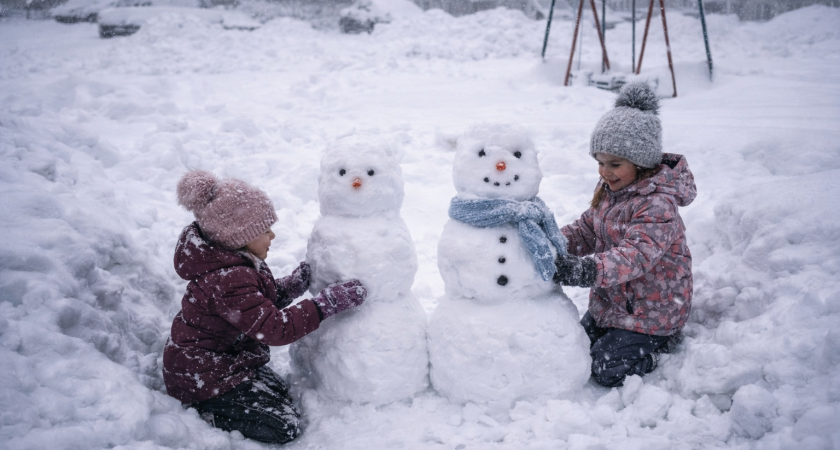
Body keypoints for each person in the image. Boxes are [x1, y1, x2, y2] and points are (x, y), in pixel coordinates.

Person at [163, 169, 367, 444]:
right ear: (239, 236)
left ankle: (230, 393)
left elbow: (255, 307)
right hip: (202, 378)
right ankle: (206, 411)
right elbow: (274, 328)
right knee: (285, 426)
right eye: (264, 230)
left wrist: (293, 285)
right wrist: (324, 304)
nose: (272, 235)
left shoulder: (233, 264)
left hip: (223, 361)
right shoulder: (228, 280)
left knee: (281, 392)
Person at [553, 82, 697, 387]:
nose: (605, 172)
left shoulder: (658, 203)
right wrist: (553, 243)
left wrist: (586, 270)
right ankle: (617, 333)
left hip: (652, 312)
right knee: (573, 348)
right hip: (614, 304)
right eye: (600, 163)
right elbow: (588, 229)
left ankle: (662, 345)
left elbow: (635, 255)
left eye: (615, 164)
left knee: (605, 369)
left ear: (641, 161)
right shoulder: (611, 190)